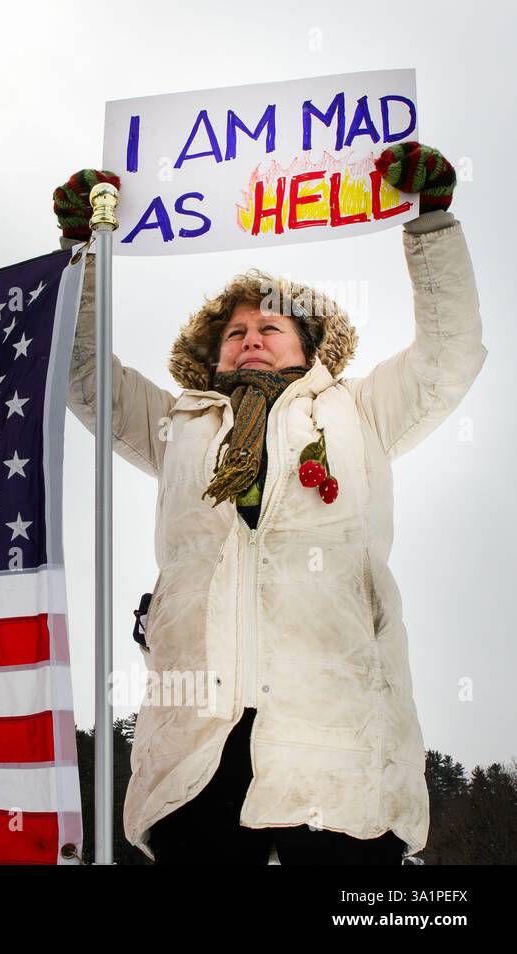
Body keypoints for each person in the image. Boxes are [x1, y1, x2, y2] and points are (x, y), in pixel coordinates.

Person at [53, 144, 486, 864]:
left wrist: (432, 222)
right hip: (199, 740)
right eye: (235, 333)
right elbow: (81, 369)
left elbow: (451, 356)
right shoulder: (177, 425)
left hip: (338, 732)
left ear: (309, 344)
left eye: (270, 328)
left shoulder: (362, 411)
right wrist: (80, 253)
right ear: (215, 354)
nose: (250, 339)